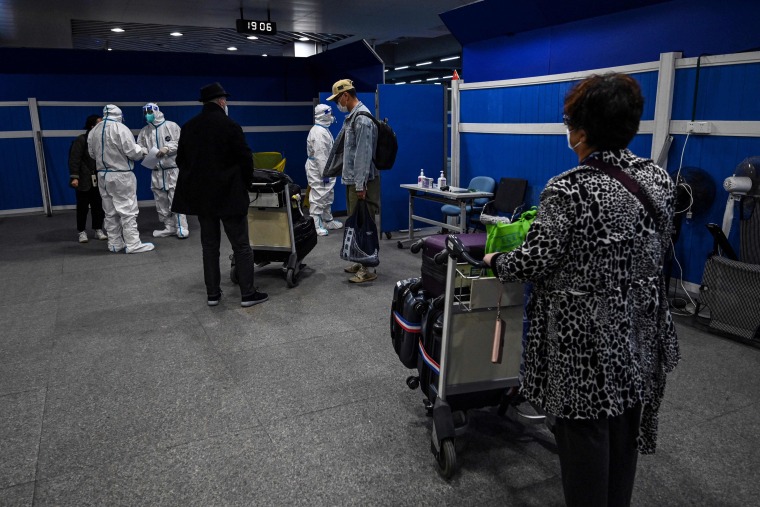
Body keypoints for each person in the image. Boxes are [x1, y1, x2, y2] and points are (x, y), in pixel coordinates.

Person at [483, 73, 680, 507]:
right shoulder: (657, 179)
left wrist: (497, 261)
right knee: (624, 428)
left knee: (583, 437)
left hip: (583, 343)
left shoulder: (569, 188)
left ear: (581, 132)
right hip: (638, 329)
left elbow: (535, 260)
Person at [172, 82, 268, 308]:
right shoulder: (230, 125)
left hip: (203, 198)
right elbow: (245, 159)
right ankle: (247, 294)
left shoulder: (188, 127)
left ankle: (213, 294)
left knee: (209, 246)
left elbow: (180, 161)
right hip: (230, 195)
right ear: (222, 101)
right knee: (241, 246)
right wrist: (245, 184)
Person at [325, 79, 379, 283]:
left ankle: (369, 268)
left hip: (362, 181)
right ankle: (359, 259)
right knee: (355, 223)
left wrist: (360, 185)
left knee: (366, 223)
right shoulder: (352, 117)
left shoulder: (362, 119)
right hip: (353, 180)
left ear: (345, 96)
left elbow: (363, 155)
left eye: (338, 99)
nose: (337, 104)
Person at [87, 104, 154, 254]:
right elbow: (132, 153)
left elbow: (91, 153)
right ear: (119, 115)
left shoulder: (94, 131)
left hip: (102, 175)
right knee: (128, 210)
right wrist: (142, 150)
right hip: (121, 174)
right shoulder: (120, 128)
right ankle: (133, 244)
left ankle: (115, 243)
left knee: (110, 211)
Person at [137, 102, 189, 239]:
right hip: (156, 171)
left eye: (149, 112)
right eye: (145, 113)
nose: (147, 115)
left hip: (172, 170)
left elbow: (180, 142)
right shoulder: (144, 131)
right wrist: (143, 152)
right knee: (161, 201)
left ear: (156, 112)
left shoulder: (171, 126)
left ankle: (181, 227)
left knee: (175, 199)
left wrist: (167, 148)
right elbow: (139, 146)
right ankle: (169, 227)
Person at [305, 104, 343, 236]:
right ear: (324, 115)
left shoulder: (323, 129)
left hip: (325, 168)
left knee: (327, 194)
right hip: (319, 169)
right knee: (319, 195)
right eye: (329, 113)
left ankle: (327, 220)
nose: (331, 116)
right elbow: (321, 156)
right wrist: (325, 173)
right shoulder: (319, 133)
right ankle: (315, 225)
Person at [69, 114, 107, 243]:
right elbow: (74, 159)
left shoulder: (102, 141)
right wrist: (75, 177)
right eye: (99, 124)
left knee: (98, 207)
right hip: (84, 179)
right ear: (92, 126)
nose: (102, 126)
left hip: (98, 179)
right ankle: (81, 232)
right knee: (82, 208)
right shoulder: (81, 140)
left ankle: (98, 229)